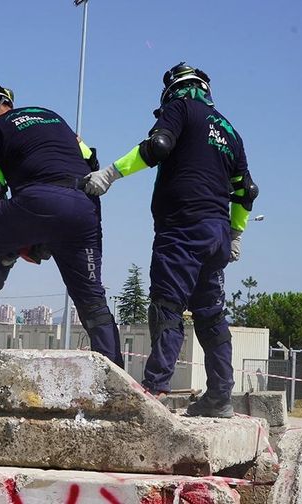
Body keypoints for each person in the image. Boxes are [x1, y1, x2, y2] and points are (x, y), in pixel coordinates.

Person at [83, 62, 259, 417]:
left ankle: (155, 388)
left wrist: (110, 174)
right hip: (216, 234)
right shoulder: (230, 130)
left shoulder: (180, 107)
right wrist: (237, 234)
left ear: (174, 88)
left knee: (167, 308)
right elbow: (247, 191)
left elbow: (159, 145)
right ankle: (220, 397)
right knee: (211, 316)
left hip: (181, 229)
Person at [0, 78, 124, 368]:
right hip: (84, 207)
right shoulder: (53, 116)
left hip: (36, 200)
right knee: (93, 301)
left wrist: (11, 243)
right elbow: (91, 161)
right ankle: (115, 373)